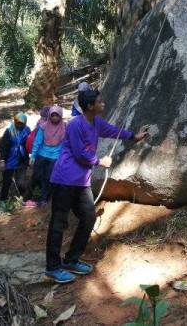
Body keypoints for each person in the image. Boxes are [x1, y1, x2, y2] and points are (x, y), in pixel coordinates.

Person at [45, 90, 148, 284]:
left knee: (89, 216)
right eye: (100, 101)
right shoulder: (76, 124)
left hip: (81, 181)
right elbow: (79, 153)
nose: (103, 103)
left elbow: (112, 131)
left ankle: (71, 260)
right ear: (90, 106)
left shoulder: (97, 122)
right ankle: (52, 267)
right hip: (64, 179)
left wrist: (133, 136)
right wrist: (100, 161)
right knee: (59, 222)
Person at [24, 106, 66, 208]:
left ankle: (44, 199)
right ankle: (27, 197)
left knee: (48, 178)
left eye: (57, 115)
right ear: (49, 116)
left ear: (60, 116)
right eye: (53, 115)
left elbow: (65, 143)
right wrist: (33, 156)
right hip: (41, 154)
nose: (55, 117)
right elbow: (37, 141)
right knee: (36, 176)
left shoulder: (64, 127)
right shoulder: (43, 126)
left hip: (55, 156)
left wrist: (62, 156)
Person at [0, 113, 31, 213]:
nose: (20, 125)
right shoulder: (9, 131)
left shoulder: (27, 130)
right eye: (18, 123)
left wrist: (30, 156)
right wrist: (2, 160)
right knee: (6, 182)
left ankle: (26, 199)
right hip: (10, 159)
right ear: (15, 122)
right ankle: (3, 203)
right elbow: (3, 146)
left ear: (25, 123)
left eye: (22, 124)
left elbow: (29, 143)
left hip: (22, 159)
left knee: (21, 182)